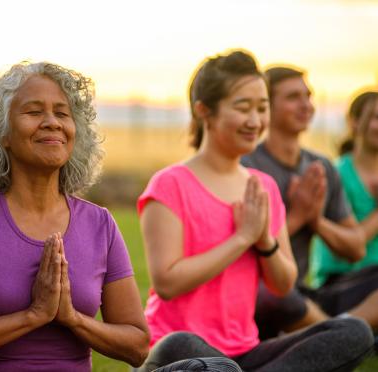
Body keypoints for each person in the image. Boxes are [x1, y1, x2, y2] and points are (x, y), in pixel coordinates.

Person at [136, 50, 374, 372]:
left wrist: (265, 242)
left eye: (262, 108)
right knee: (183, 344)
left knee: (353, 332)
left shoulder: (262, 187)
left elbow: (283, 282)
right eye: (242, 107)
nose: (255, 121)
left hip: (246, 352)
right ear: (204, 110)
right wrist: (242, 237)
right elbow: (168, 282)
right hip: (181, 352)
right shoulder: (170, 184)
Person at [0, 62, 150, 371]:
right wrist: (33, 315)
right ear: (2, 132)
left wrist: (72, 319)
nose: (52, 122)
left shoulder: (100, 224)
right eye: (34, 112)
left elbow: (138, 346)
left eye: (62, 113)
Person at [241, 67, 376, 338]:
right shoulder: (246, 165)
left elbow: (356, 249)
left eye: (308, 96)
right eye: (293, 97)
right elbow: (242, 252)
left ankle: (336, 331)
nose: (306, 105)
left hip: (305, 295)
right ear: (266, 105)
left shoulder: (321, 167)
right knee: (274, 296)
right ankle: (342, 335)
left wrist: (317, 222)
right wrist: (298, 216)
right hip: (264, 294)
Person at [309, 90, 378, 329]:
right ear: (354, 122)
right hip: (341, 280)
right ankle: (337, 329)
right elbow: (347, 247)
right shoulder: (336, 174)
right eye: (375, 117)